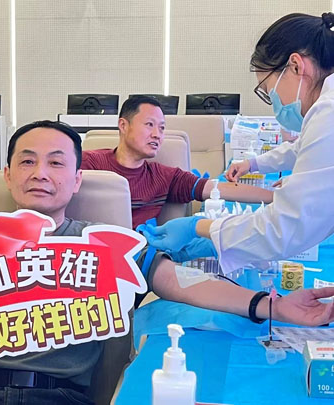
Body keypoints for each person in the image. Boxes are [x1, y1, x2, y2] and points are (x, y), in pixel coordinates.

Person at [0, 120, 334, 405]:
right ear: (7, 174)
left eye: (56, 162)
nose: (40, 173)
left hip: (59, 397)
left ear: (77, 178)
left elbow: (180, 281)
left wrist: (273, 306)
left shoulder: (102, 243)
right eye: (27, 161)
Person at [140, 12, 334, 276]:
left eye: (269, 92)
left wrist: (199, 228)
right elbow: (301, 151)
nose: (274, 102)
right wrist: (253, 165)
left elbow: (283, 229)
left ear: (296, 66)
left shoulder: (327, 113)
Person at [81, 95, 274, 229]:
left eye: (162, 128)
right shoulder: (89, 164)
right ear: (123, 125)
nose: (157, 134)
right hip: (91, 257)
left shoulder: (163, 177)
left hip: (137, 259)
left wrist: (278, 197)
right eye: (149, 125)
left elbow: (218, 189)